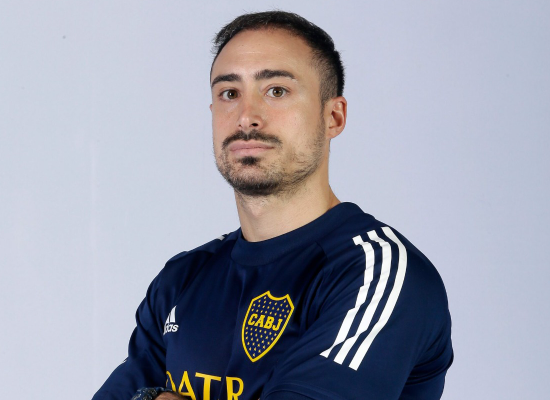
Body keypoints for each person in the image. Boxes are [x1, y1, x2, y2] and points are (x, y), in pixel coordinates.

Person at [92, 11, 453, 400]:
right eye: (229, 93)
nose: (247, 117)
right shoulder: (183, 279)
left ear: (333, 117)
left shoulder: (378, 274)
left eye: (276, 90)